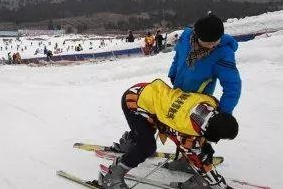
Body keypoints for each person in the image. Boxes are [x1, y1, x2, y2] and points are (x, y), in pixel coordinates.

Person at [99, 79, 238, 189]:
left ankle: (135, 141)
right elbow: (197, 158)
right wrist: (219, 184)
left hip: (152, 95)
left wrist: (202, 148)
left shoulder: (210, 103)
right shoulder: (183, 129)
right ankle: (112, 176)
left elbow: (200, 138)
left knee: (152, 132)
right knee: (147, 146)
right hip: (135, 101)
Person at [166, 13, 241, 173]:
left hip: (199, 101)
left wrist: (224, 113)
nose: (212, 45)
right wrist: (172, 73)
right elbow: (177, 56)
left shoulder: (223, 53)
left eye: (216, 41)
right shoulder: (186, 38)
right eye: (208, 43)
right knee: (178, 127)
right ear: (196, 35)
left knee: (194, 132)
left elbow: (233, 85)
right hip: (179, 93)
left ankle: (200, 164)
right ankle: (185, 158)